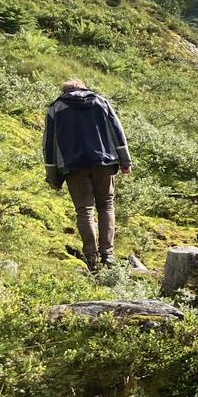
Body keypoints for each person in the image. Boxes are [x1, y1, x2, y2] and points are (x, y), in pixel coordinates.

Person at [42, 79, 131, 272]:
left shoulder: (55, 109)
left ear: (64, 92)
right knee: (106, 205)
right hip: (104, 162)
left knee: (84, 211)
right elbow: (117, 131)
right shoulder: (100, 101)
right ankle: (108, 255)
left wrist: (53, 177)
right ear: (83, 88)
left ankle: (91, 257)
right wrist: (125, 161)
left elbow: (49, 144)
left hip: (74, 166)